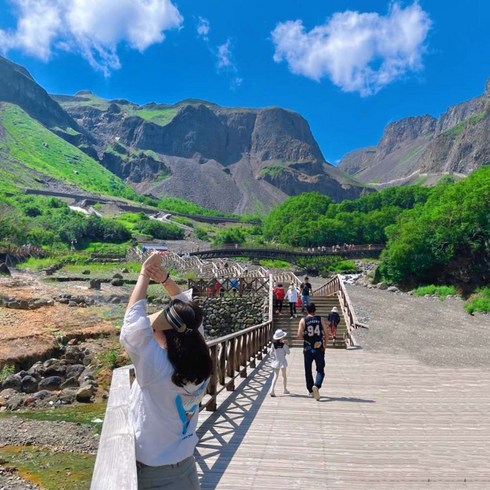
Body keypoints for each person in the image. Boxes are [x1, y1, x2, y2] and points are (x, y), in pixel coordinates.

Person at [120, 251, 212, 489]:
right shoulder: (201, 362)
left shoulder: (157, 368)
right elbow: (191, 319)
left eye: (156, 328)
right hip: (186, 466)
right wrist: (165, 280)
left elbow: (133, 328)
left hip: (154, 472)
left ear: (164, 333)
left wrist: (145, 274)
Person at [297, 302, 329, 401]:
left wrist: (306, 339)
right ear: (315, 310)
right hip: (319, 346)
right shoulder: (321, 319)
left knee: (308, 370)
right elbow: (326, 333)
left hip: (307, 348)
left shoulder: (303, 320)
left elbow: (299, 334)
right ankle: (317, 385)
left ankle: (310, 390)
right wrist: (325, 344)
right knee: (320, 369)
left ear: (307, 310)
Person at [268, 329, 290, 397]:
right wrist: (286, 344)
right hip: (283, 361)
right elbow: (288, 352)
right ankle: (285, 389)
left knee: (275, 376)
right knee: (284, 376)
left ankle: (272, 390)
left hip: (276, 361)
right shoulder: (284, 345)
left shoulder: (273, 345)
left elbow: (271, 354)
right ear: (281, 337)